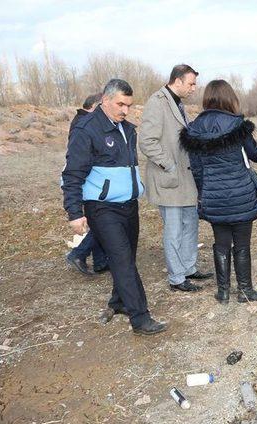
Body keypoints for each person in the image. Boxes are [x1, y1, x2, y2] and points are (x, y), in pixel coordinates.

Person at [61, 79, 167, 335]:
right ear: (105, 100)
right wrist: (75, 212)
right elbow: (72, 173)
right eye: (120, 104)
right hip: (102, 207)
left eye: (129, 105)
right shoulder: (87, 129)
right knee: (123, 261)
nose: (125, 110)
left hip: (128, 205)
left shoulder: (127, 129)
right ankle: (140, 319)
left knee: (127, 258)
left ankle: (118, 302)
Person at [180, 80, 257, 304]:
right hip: (241, 195)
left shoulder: (193, 130)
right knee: (241, 244)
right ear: (229, 98)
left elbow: (198, 171)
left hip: (213, 196)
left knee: (220, 244)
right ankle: (245, 291)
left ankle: (223, 293)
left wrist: (205, 193)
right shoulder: (237, 125)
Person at [139, 64, 212, 293]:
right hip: (168, 179)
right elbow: (147, 142)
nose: (194, 88)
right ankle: (177, 277)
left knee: (190, 223)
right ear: (177, 81)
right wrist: (169, 165)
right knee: (174, 229)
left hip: (186, 178)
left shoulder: (179, 104)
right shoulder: (156, 102)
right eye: (191, 83)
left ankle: (189, 268)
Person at [65, 93, 109, 276]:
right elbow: (78, 162)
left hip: (93, 181)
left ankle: (99, 261)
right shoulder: (84, 124)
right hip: (90, 181)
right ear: (95, 106)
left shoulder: (83, 120)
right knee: (103, 223)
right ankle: (78, 253)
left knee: (99, 221)